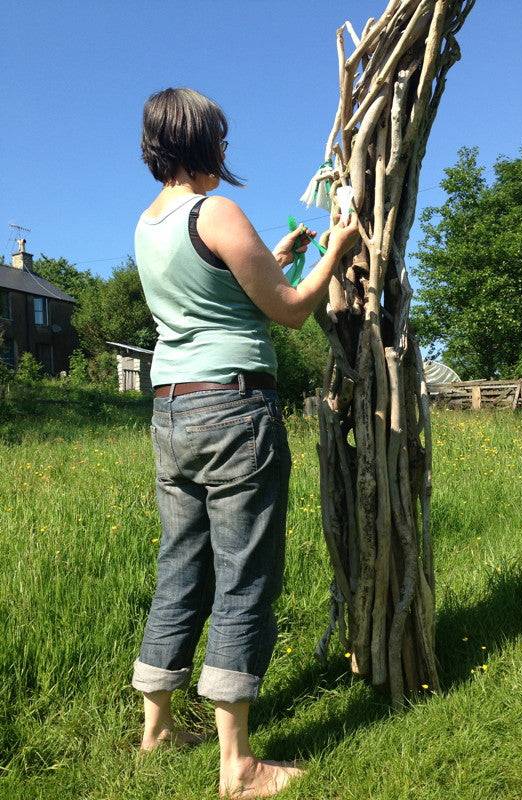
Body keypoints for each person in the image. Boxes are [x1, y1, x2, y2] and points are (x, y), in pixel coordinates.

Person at [131, 86, 359, 798]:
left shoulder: (149, 222)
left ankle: (157, 730)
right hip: (232, 409)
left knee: (181, 568)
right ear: (205, 141)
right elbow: (289, 313)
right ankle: (239, 767)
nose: (227, 149)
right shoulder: (216, 211)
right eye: (221, 137)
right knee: (244, 574)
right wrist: (340, 248)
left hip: (171, 411)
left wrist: (284, 252)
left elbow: (225, 295)